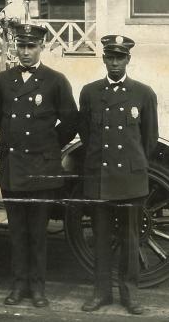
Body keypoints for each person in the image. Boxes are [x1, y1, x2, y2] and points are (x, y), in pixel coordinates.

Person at [0, 23, 78, 307]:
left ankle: (38, 289)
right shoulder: (4, 80)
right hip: (14, 167)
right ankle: (19, 286)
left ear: (41, 47)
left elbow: (71, 120)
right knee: (16, 233)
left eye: (31, 46)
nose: (26, 52)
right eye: (21, 46)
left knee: (38, 233)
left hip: (42, 168)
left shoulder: (55, 80)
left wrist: (48, 143)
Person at [79, 35, 158, 315]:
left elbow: (149, 139)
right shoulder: (90, 93)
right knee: (100, 239)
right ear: (103, 59)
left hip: (130, 181)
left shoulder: (143, 93)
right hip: (99, 178)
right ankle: (101, 294)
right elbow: (86, 136)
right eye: (110, 57)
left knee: (129, 239)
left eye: (120, 57)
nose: (114, 63)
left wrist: (132, 165)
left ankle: (129, 295)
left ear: (128, 60)